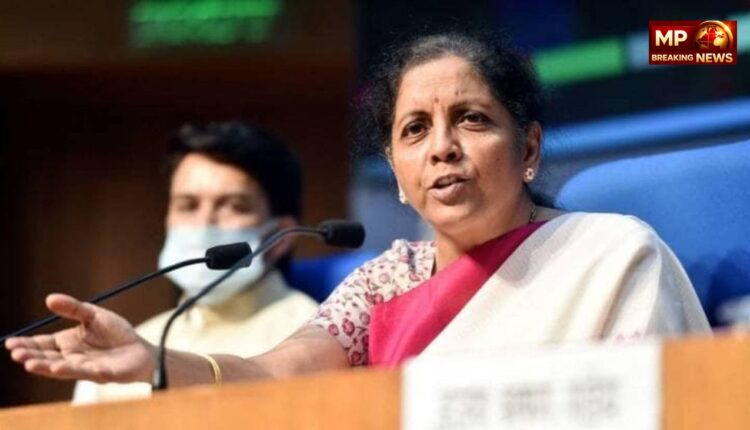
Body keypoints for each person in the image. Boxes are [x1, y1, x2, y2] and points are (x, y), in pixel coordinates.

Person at [5, 33, 709, 388]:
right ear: (397, 171)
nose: (442, 148)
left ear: (528, 148)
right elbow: (276, 375)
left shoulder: (612, 255)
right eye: (415, 129)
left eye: (471, 119)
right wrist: (154, 362)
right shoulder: (385, 282)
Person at [71, 122, 319, 402]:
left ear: (280, 237)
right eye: (188, 205)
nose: (204, 224)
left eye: (234, 205)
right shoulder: (122, 350)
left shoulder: (317, 340)